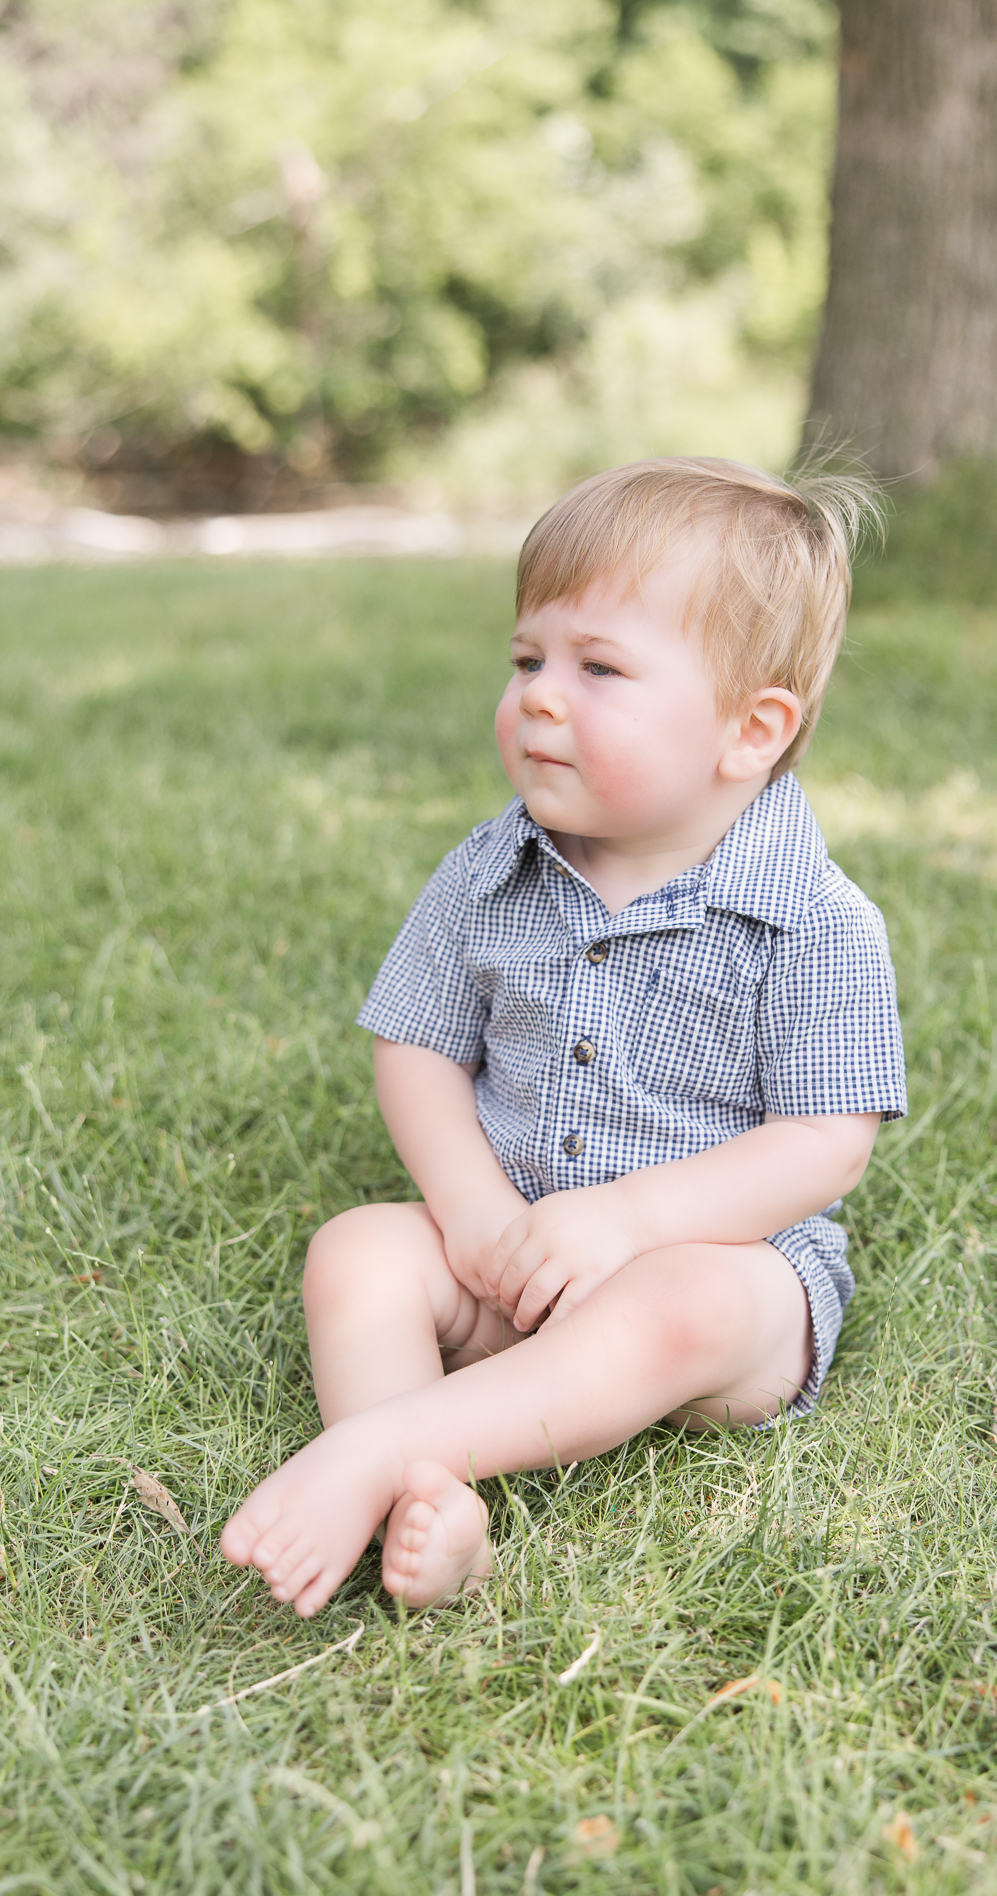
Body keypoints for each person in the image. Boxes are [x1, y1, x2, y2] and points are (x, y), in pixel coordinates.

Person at [220, 456, 908, 1618]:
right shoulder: (489, 873)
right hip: (518, 1252)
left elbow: (822, 1145)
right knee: (359, 1253)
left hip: (712, 1289)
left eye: (599, 669)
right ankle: (427, 1512)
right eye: (528, 659)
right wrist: (479, 1213)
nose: (540, 695)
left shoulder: (811, 916)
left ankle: (377, 1452)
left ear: (749, 731)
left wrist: (629, 1222)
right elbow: (418, 1049)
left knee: (680, 1304)